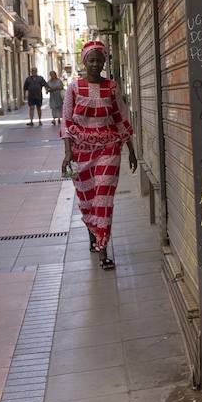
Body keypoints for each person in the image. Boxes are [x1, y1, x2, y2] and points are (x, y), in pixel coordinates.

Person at [61, 41, 137, 270]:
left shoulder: (112, 87)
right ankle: (92, 233)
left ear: (105, 61)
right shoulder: (74, 88)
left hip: (109, 149)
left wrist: (132, 150)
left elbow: (121, 118)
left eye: (99, 60)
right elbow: (66, 121)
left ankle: (103, 249)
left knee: (103, 199)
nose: (95, 64)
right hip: (81, 152)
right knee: (87, 200)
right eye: (91, 60)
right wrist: (67, 154)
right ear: (84, 61)